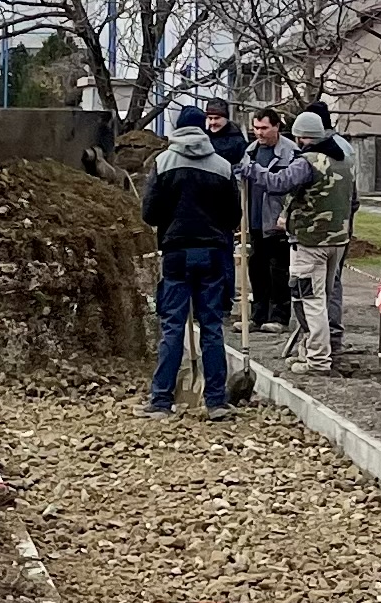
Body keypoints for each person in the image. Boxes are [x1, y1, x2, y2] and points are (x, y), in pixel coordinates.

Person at [238, 111, 358, 374]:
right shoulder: (346, 160)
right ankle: (317, 351)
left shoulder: (308, 162)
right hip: (338, 240)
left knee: (309, 300)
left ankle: (317, 360)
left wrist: (250, 169)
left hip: (309, 242)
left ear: (302, 137)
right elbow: (354, 201)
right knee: (324, 298)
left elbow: (278, 183)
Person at [140, 104, 241, 419]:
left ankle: (160, 402)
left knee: (172, 326)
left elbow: (149, 213)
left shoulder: (163, 162)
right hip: (212, 253)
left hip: (176, 253)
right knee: (211, 326)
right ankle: (216, 402)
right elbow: (234, 216)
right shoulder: (222, 166)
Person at [242, 108, 297, 332]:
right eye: (256, 128)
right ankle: (258, 315)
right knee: (257, 269)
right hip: (254, 220)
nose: (259, 133)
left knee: (279, 271)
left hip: (276, 222)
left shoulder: (290, 153)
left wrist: (285, 215)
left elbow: (294, 189)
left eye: (264, 128)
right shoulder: (251, 151)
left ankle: (279, 317)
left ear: (276, 126)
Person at [202, 97, 248, 164]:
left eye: (217, 118)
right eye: (210, 118)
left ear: (226, 118)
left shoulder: (238, 141)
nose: (213, 122)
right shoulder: (203, 137)